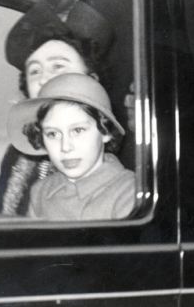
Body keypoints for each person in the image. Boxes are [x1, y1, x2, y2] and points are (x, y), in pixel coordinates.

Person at [0, 0, 115, 215]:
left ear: (91, 79)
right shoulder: (18, 153)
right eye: (34, 71)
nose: (45, 78)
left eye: (58, 66)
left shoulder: (115, 145)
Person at [7, 73, 134, 220]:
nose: (65, 147)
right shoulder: (41, 191)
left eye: (78, 130)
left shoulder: (129, 192)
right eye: (53, 134)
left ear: (105, 132)